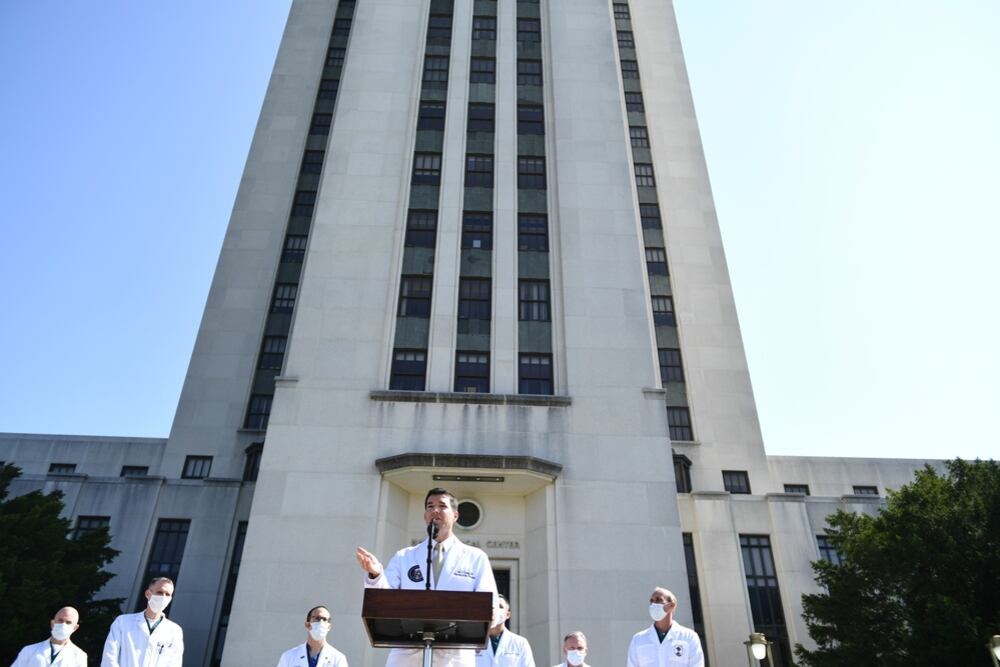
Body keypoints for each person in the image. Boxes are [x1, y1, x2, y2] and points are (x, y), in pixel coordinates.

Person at [356, 487, 498, 667]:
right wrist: (375, 574)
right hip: (407, 653)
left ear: (455, 515)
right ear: (425, 516)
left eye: (442, 506)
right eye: (430, 506)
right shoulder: (405, 557)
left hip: (454, 657)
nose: (435, 510)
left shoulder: (475, 558)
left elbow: (490, 606)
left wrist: (488, 615)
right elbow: (384, 600)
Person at [101, 577, 183, 667]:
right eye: (159, 592)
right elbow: (109, 657)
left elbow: (174, 663)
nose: (163, 597)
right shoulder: (123, 622)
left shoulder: (175, 631)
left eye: (167, 594)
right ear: (148, 594)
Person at [626, 588, 704, 667]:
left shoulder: (689, 637)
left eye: (658, 600)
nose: (654, 604)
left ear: (671, 605)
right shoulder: (638, 639)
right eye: (651, 601)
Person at [10, 606, 87, 666]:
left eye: (68, 622)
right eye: (60, 620)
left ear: (75, 628)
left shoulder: (79, 656)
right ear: (52, 623)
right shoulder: (28, 651)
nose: (63, 625)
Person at [274, 605, 349, 667]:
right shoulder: (289, 656)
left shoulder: (338, 658)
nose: (321, 623)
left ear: (329, 627)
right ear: (307, 625)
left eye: (325, 619)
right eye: (317, 618)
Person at [475, 595, 534, 667]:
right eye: (492, 607)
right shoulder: (473, 642)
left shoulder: (520, 643)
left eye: (500, 606)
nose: (495, 610)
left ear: (508, 614)